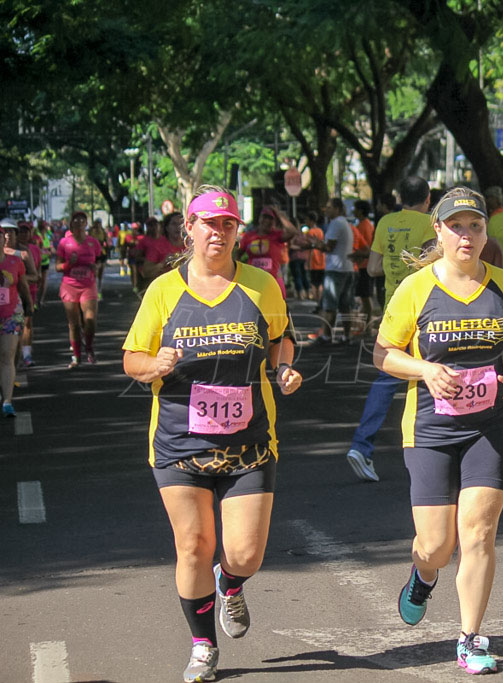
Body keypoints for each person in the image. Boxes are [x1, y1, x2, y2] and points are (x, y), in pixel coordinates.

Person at [122, 186, 302, 683]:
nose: (217, 232)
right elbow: (131, 358)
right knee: (194, 546)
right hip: (180, 442)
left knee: (244, 553)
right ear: (190, 228)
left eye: (227, 224)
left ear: (236, 231)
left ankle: (231, 583)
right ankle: (203, 645)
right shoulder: (164, 291)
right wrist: (152, 363)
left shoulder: (262, 285)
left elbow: (280, 340)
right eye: (208, 223)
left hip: (249, 443)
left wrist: (284, 369)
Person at [375, 187, 503, 675]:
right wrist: (424, 370)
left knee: (480, 534)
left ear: (486, 233)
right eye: (457, 227)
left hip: (490, 426)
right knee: (437, 546)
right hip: (430, 429)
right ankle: (423, 575)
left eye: (476, 227)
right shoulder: (417, 288)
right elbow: (383, 353)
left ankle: (471, 637)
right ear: (438, 232)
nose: (467, 236)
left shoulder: (502, 283)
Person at [345, 176, 433, 482]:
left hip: (393, 308)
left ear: (400, 197)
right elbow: (437, 264)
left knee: (386, 378)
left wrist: (396, 263)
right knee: (433, 375)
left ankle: (362, 445)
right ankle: (437, 451)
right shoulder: (429, 223)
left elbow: (372, 268)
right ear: (428, 198)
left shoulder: (384, 222)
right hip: (426, 309)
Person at [56, 211, 102, 367]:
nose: (79, 222)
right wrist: (69, 264)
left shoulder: (93, 242)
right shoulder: (64, 243)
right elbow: (57, 266)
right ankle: (76, 356)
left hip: (88, 285)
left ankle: (88, 347)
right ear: (72, 224)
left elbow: (100, 260)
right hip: (70, 286)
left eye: (82, 220)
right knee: (74, 324)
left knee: (90, 320)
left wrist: (95, 266)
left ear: (86, 224)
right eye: (76, 220)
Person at [309, 199, 355, 343]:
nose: (326, 210)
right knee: (345, 305)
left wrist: (316, 244)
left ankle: (327, 335)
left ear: (337, 209)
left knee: (329, 305)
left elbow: (329, 247)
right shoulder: (345, 223)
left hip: (335, 269)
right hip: (347, 268)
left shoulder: (336, 223)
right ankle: (346, 335)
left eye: (329, 207)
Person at [2, 221, 34, 417]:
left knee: (7, 355)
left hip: (11, 313)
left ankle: (7, 401)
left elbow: (24, 284)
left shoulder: (15, 260)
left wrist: (30, 304)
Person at [238, 206, 297, 298]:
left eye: (270, 218)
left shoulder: (277, 235)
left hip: (273, 280)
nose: (267, 220)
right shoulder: (249, 236)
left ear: (274, 221)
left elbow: (292, 231)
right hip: (254, 281)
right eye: (264, 217)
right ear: (260, 219)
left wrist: (278, 214)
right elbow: (238, 255)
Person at [16, 222, 42, 367]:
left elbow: (36, 274)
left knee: (27, 323)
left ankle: (26, 354)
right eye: (20, 231)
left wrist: (22, 279)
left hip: (28, 290)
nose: (24, 234)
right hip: (9, 293)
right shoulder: (5, 250)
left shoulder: (33, 250)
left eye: (26, 231)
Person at [351, 200, 376, 322]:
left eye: (355, 208)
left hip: (364, 265)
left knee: (366, 297)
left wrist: (354, 254)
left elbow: (367, 248)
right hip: (364, 265)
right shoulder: (366, 225)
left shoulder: (363, 226)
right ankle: (366, 323)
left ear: (360, 211)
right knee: (364, 296)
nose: (352, 211)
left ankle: (368, 325)